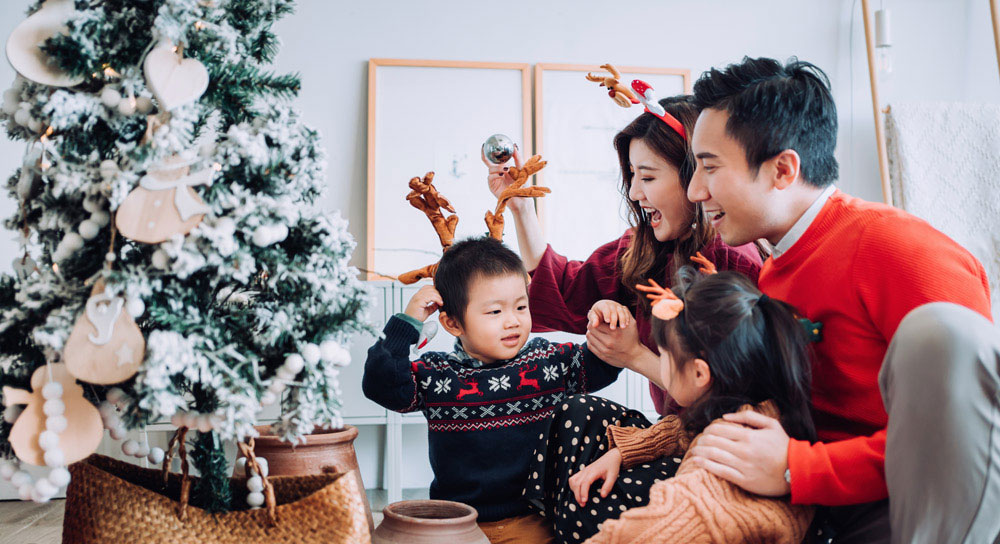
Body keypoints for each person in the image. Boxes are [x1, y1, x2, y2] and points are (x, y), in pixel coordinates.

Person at [683, 56, 999, 543]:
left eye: (709, 167)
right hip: (829, 500)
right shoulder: (773, 270)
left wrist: (798, 469)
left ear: (783, 170)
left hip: (909, 503)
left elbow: (963, 443)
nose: (694, 190)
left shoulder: (902, 251)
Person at [485, 95, 762, 416]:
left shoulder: (733, 261)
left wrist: (634, 355)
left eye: (647, 177)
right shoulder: (642, 249)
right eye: (631, 176)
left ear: (694, 176)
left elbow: (732, 394)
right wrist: (520, 207)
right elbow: (563, 287)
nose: (633, 193)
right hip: (675, 429)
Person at [527, 261, 818, 543]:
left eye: (664, 355)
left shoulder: (714, 468)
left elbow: (663, 524)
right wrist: (623, 452)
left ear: (699, 373)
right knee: (579, 409)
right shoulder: (756, 410)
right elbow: (684, 430)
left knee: (583, 509)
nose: (660, 363)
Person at [362, 236, 625, 544]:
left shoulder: (549, 361)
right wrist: (408, 322)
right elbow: (381, 385)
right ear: (453, 323)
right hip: (456, 523)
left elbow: (603, 364)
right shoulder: (438, 374)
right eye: (495, 312)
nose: (512, 321)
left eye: (521, 306)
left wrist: (609, 320)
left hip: (533, 521)